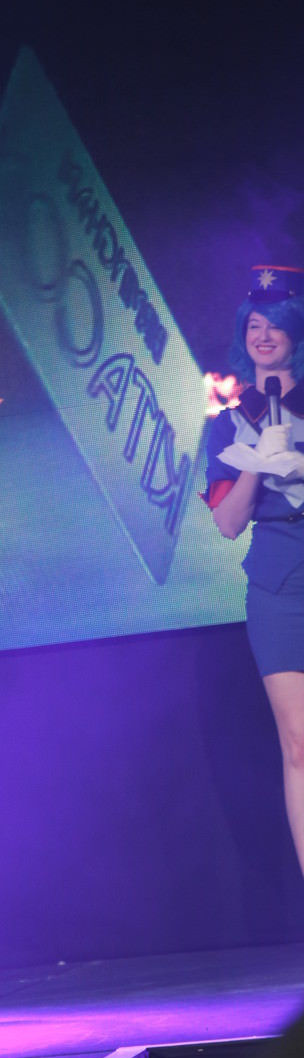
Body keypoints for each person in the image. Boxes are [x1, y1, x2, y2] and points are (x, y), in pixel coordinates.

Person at [205, 263, 304, 877]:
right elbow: (227, 522)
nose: (264, 336)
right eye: (254, 325)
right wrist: (257, 463)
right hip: (277, 583)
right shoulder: (230, 418)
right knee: (298, 744)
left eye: (277, 324)